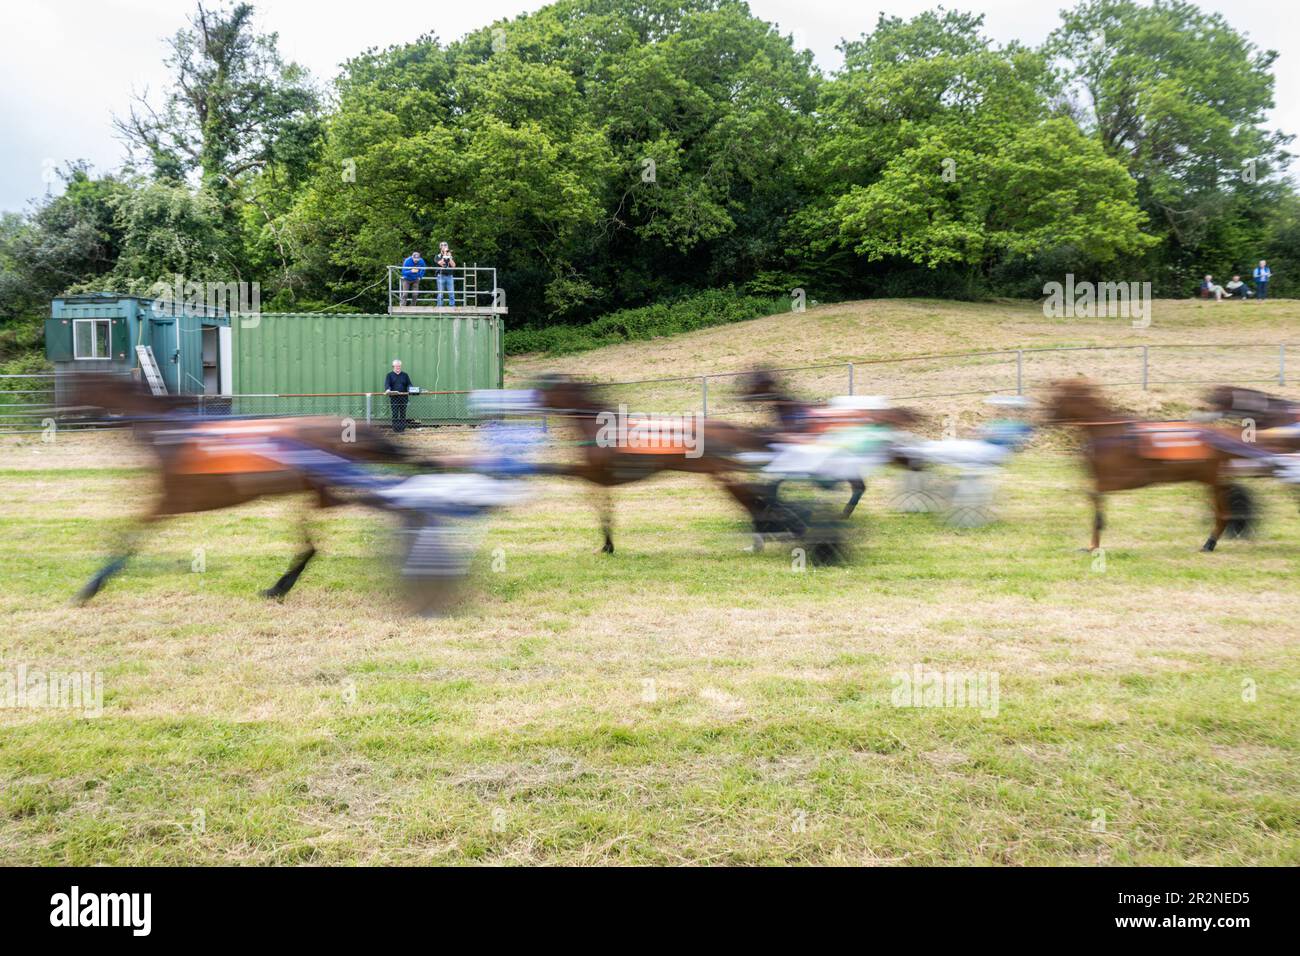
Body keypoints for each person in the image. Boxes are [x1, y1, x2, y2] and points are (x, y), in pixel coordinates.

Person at [384, 359, 412, 432]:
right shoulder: (389, 375)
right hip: (394, 398)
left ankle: (402, 429)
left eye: (399, 366)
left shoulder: (405, 375)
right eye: (396, 366)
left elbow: (409, 384)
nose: (398, 367)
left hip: (404, 397)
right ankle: (395, 429)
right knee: (395, 413)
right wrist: (387, 389)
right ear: (393, 366)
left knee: (403, 413)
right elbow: (387, 384)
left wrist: (410, 389)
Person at [434, 241, 456, 307]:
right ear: (440, 247)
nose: (444, 246)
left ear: (447, 246)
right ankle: (440, 307)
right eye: (442, 245)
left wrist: (449, 257)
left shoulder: (450, 256)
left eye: (445, 245)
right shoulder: (437, 256)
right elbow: (441, 263)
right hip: (441, 276)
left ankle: (452, 307)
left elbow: (453, 265)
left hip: (449, 276)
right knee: (440, 294)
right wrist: (445, 255)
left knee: (451, 293)